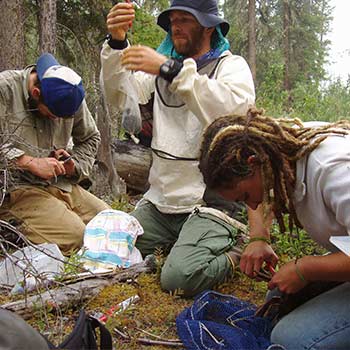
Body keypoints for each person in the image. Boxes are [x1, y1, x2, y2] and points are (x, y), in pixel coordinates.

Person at [100, 0, 268, 296]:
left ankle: (236, 250)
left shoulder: (231, 67)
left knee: (178, 278)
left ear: (207, 26)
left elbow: (233, 110)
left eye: (186, 19)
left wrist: (170, 70)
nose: (176, 26)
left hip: (210, 203)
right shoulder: (160, 68)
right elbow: (120, 95)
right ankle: (182, 243)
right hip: (162, 201)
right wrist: (117, 43)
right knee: (110, 251)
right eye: (173, 20)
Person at [199, 108, 350, 349]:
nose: (253, 204)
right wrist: (258, 238)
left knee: (291, 339)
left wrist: (305, 269)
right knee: (278, 297)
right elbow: (261, 193)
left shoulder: (334, 169)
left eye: (245, 196)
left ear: (253, 164)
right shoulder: (277, 151)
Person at [0, 53, 110, 255]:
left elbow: (90, 137)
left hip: (61, 184)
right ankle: (9, 230)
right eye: (52, 115)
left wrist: (73, 165)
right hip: (16, 189)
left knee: (112, 225)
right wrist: (28, 161)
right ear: (35, 92)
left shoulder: (69, 91)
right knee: (77, 236)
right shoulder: (5, 89)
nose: (57, 121)